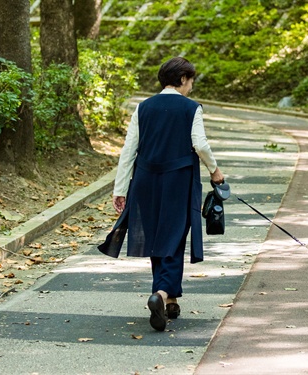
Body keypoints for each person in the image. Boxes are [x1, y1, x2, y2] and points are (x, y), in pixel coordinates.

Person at [98, 57, 224, 331]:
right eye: (190, 81)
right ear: (182, 80)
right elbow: (200, 144)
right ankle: (162, 294)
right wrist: (215, 171)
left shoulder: (143, 107)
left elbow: (129, 150)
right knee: (175, 239)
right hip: (177, 182)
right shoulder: (191, 108)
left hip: (145, 182)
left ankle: (170, 301)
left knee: (158, 238)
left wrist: (120, 190)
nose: (191, 87)